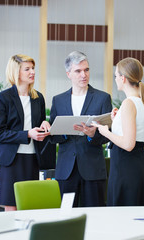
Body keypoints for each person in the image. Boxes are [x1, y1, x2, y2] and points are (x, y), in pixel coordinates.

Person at [41, 51, 112, 207]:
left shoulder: (102, 98)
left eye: (86, 70)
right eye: (78, 71)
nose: (83, 75)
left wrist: (93, 135)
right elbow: (54, 137)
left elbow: (109, 135)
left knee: (95, 216)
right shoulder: (58, 100)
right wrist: (60, 131)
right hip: (66, 170)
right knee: (66, 216)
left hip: (92, 170)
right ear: (68, 74)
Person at [0, 54, 50, 211]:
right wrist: (27, 134)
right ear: (16, 72)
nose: (32, 72)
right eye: (27, 69)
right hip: (11, 160)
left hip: (32, 158)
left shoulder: (38, 98)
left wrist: (44, 124)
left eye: (33, 68)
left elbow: (38, 125)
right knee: (12, 205)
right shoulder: (3, 98)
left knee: (30, 204)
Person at [92, 57, 144, 206]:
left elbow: (128, 144)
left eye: (116, 76)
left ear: (123, 78)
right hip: (137, 170)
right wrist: (117, 121)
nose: (115, 79)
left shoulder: (128, 103)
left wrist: (104, 131)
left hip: (124, 172)